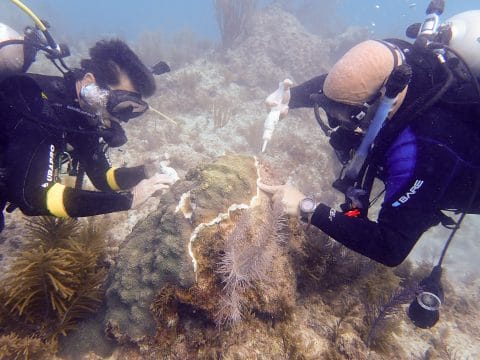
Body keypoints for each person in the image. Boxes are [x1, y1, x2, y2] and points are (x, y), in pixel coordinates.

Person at [259, 10, 480, 267]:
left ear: (376, 107)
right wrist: (291, 97)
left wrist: (307, 208)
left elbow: (390, 247)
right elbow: (352, 82)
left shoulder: (419, 150)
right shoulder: (401, 66)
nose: (334, 125)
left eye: (343, 118)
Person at [0, 38, 174, 231]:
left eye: (132, 109)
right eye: (121, 104)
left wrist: (144, 172)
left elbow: (103, 178)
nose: (122, 118)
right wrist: (129, 199)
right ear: (90, 85)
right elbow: (35, 196)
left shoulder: (82, 117)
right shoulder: (36, 104)